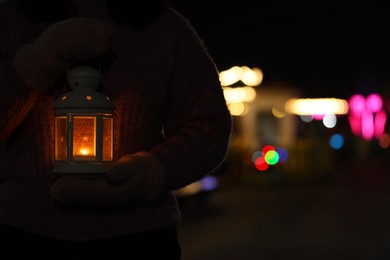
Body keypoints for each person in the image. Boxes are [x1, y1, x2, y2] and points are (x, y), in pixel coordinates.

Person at [0, 0, 231, 257]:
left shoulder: (164, 28)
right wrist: (34, 64)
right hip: (25, 232)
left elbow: (209, 124)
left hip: (138, 235)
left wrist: (153, 170)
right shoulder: (11, 21)